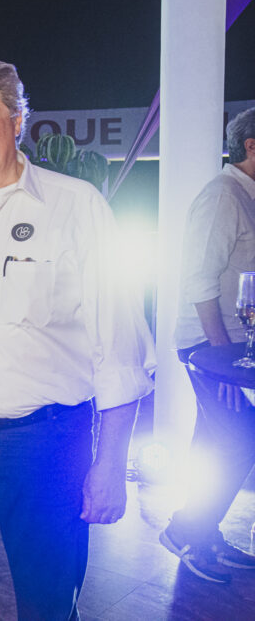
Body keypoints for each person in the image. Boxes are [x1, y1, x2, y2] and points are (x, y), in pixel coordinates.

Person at [0, 58, 156, 620]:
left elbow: (119, 346)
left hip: (45, 443)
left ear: (17, 119)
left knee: (48, 600)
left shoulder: (77, 206)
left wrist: (111, 465)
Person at [161, 107, 255, 583]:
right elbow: (200, 283)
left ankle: (203, 533)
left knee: (220, 441)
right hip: (211, 347)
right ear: (252, 145)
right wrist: (224, 363)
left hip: (231, 348)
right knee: (238, 440)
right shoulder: (222, 196)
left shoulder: (245, 195)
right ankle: (185, 531)